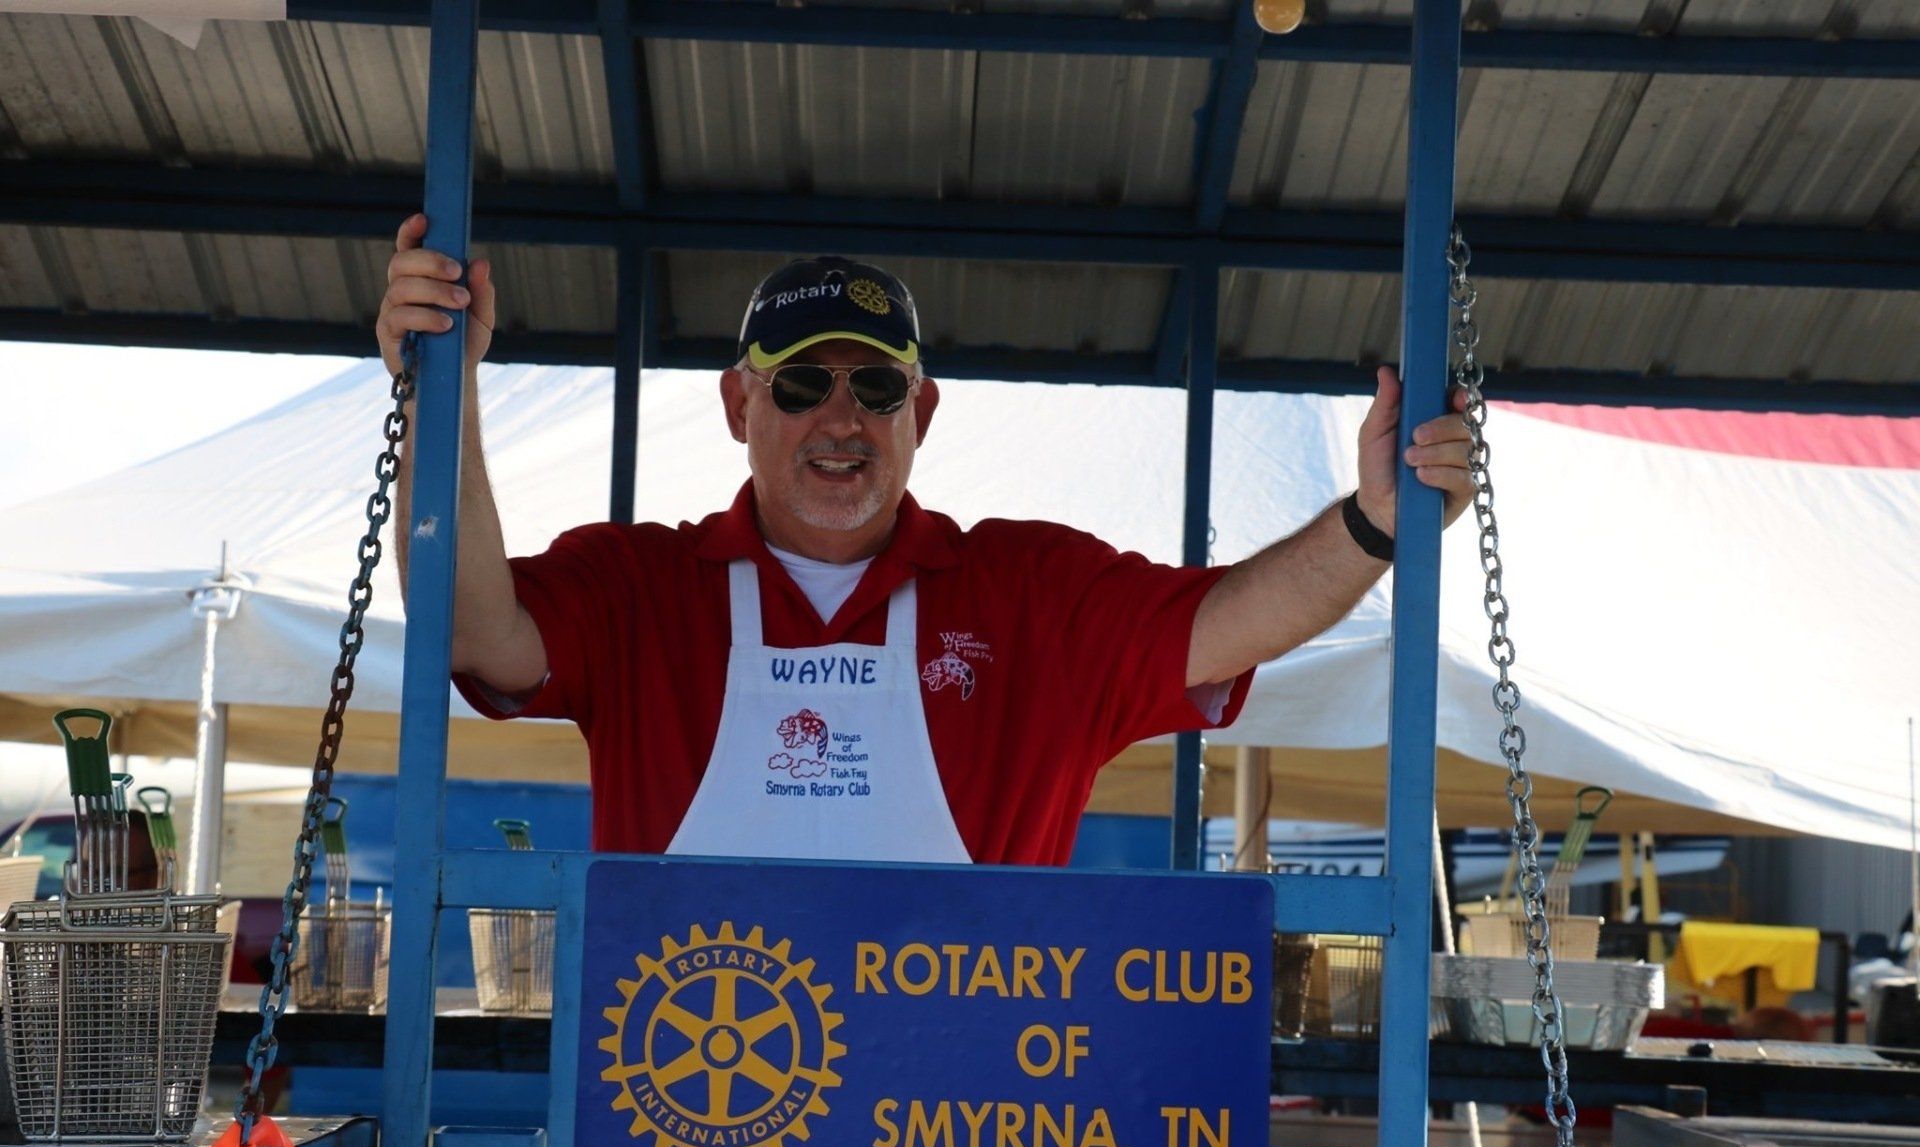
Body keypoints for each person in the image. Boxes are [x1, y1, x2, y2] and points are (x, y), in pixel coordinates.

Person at [376, 213, 1474, 864]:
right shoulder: (642, 588)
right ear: (736, 407)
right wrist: (440, 381)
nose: (841, 420)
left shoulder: (1027, 591)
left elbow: (1227, 622)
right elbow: (474, 627)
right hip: (691, 1144)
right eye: (802, 384)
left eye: (877, 387)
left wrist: (1375, 518)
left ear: (925, 412)